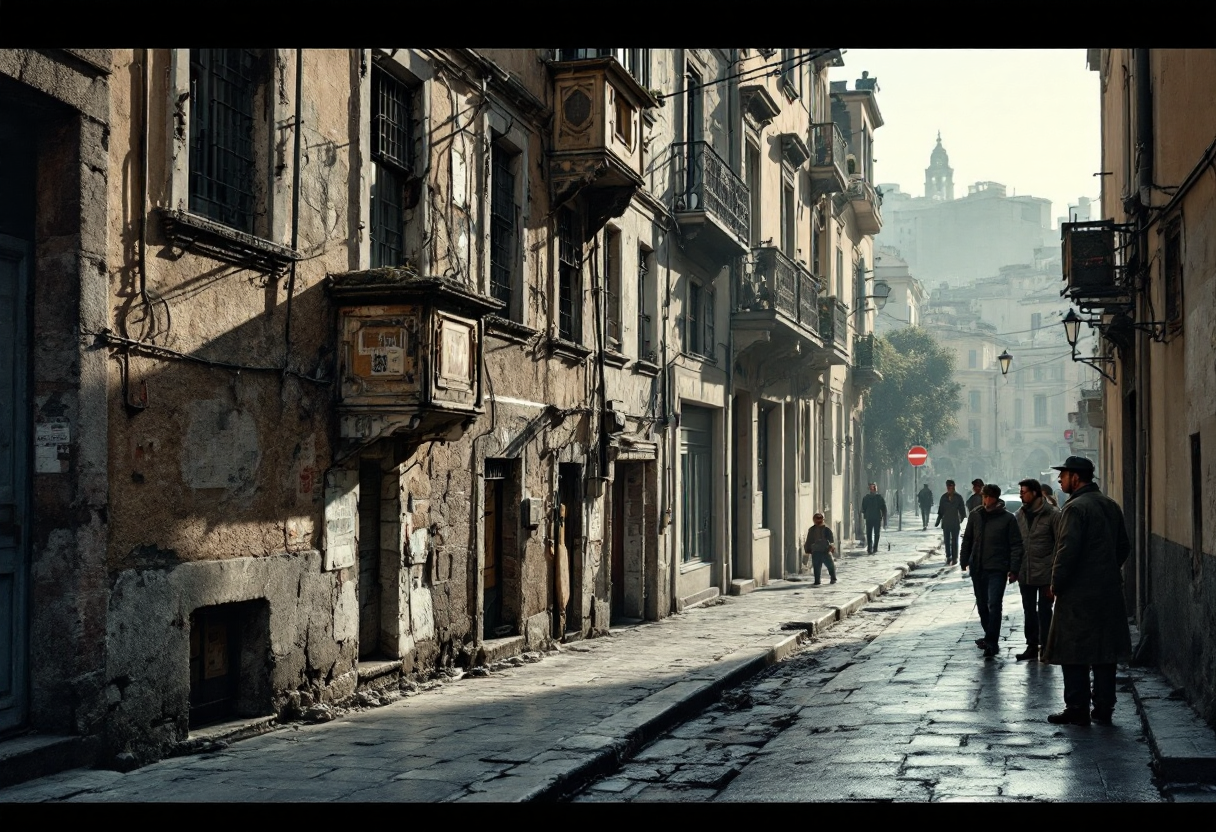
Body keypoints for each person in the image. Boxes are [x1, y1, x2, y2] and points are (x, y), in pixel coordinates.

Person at [1041, 456, 1132, 727]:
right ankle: (1104, 706)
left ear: (1076, 477)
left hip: (1078, 594)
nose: (1059, 479)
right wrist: (1105, 570)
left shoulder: (1075, 508)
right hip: (1108, 590)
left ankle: (1077, 707)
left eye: (1064, 474)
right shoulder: (1110, 505)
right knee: (1105, 650)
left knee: (1073, 650)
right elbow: (1123, 547)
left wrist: (1056, 583)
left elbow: (1066, 551)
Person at [960, 483, 1023, 658]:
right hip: (978, 567)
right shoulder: (975, 515)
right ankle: (989, 635)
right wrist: (964, 559)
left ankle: (991, 641)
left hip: (997, 568)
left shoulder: (1007, 519)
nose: (987, 501)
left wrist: (1014, 568)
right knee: (981, 605)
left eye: (990, 497)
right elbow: (968, 539)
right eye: (985, 497)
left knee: (994, 603)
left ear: (996, 498)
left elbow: (1016, 545)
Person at [1013, 478, 1061, 662]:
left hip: (1046, 573)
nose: (1021, 495)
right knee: (1028, 610)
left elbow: (1059, 545)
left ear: (1035, 493)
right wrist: (1013, 568)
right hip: (1025, 572)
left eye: (1024, 492)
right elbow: (1016, 544)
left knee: (1045, 610)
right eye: (1020, 492)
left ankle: (1047, 647)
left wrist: (1054, 574)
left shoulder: (1052, 515)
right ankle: (1031, 646)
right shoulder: (1019, 515)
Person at [935, 479, 968, 566]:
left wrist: (961, 519)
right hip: (946, 522)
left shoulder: (958, 497)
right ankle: (948, 555)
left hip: (955, 522)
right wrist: (938, 520)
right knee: (946, 540)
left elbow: (962, 511)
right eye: (948, 486)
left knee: (955, 540)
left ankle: (955, 557)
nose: (949, 488)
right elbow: (940, 510)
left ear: (954, 486)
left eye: (951, 486)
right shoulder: (943, 497)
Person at [803, 512, 836, 586]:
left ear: (823, 519)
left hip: (825, 551)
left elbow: (831, 540)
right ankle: (817, 581)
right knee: (816, 567)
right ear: (814, 520)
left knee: (830, 565)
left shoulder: (827, 529)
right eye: (816, 519)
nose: (818, 521)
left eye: (820, 519)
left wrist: (831, 547)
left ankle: (833, 578)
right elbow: (809, 540)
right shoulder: (811, 530)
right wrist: (807, 549)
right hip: (816, 551)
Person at [860, 483, 887, 554]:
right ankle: (871, 548)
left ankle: (873, 548)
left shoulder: (876, 498)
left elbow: (883, 509)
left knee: (874, 533)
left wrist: (884, 519)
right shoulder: (869, 498)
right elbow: (863, 509)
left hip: (874, 518)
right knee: (872, 534)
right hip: (873, 518)